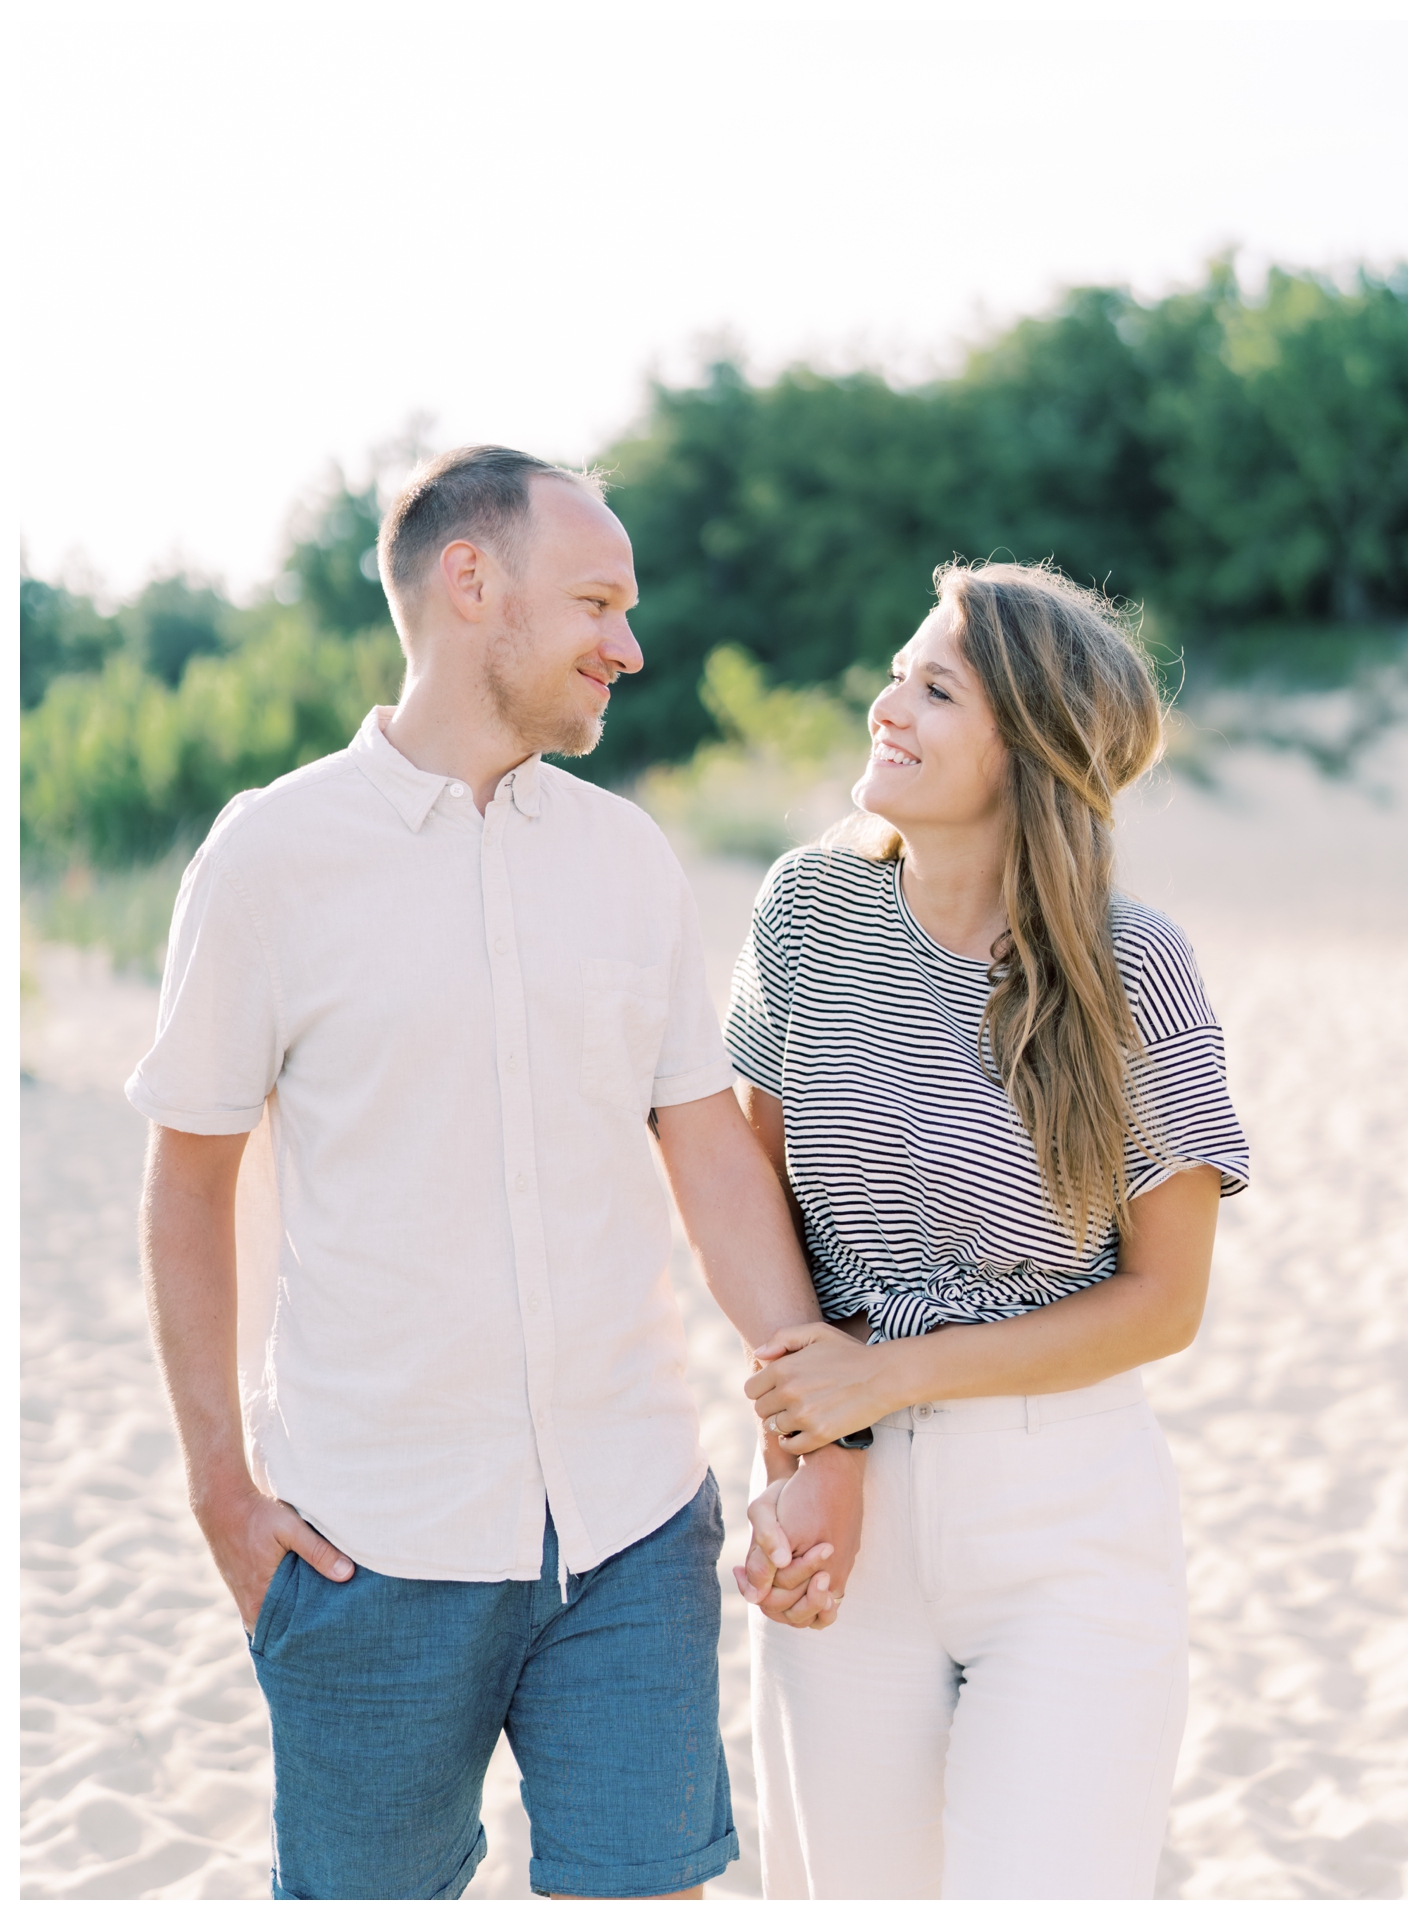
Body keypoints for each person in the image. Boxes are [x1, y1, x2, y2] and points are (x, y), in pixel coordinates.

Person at [128, 446, 861, 1902]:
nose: (628, 646)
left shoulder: (626, 858)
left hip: (634, 1520)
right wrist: (220, 1488)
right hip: (367, 1545)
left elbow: (708, 1154)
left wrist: (813, 1431)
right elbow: (188, 1182)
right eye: (596, 600)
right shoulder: (270, 857)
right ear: (473, 584)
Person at [726, 559, 1249, 1899]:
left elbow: (1161, 1302)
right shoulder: (806, 909)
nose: (885, 705)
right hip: (847, 1504)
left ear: (1029, 745)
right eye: (899, 672)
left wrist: (884, 1378)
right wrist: (806, 1448)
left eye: (934, 687)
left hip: (1064, 1519)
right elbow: (755, 1208)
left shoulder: (1135, 968)